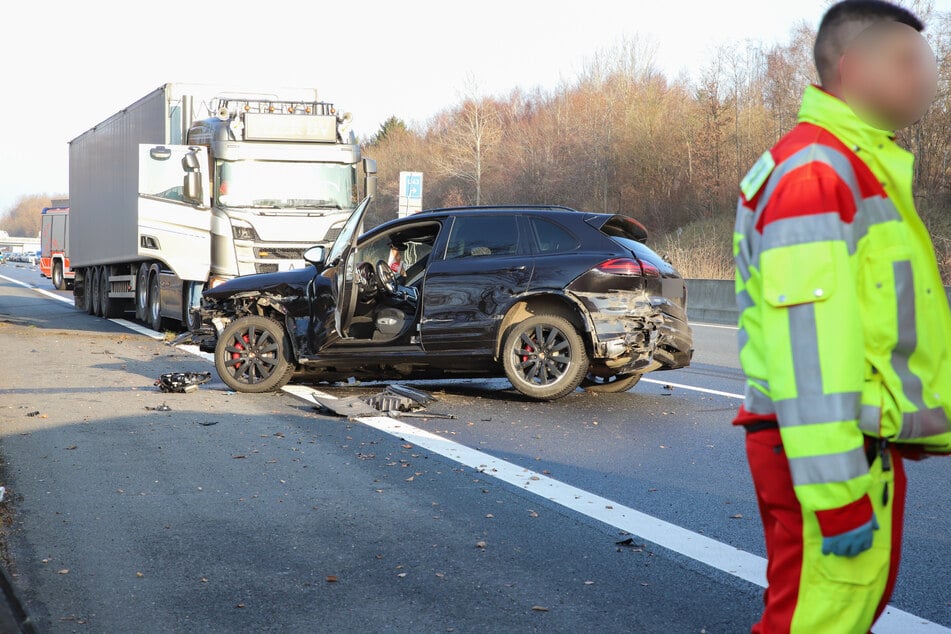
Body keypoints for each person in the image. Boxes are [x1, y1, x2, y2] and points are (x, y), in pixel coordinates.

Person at [733, 1, 951, 632]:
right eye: (908, 61)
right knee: (818, 621)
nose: (929, 77)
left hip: (846, 446)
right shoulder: (817, 173)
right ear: (853, 68)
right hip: (831, 453)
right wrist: (836, 495)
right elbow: (809, 348)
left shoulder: (853, 164)